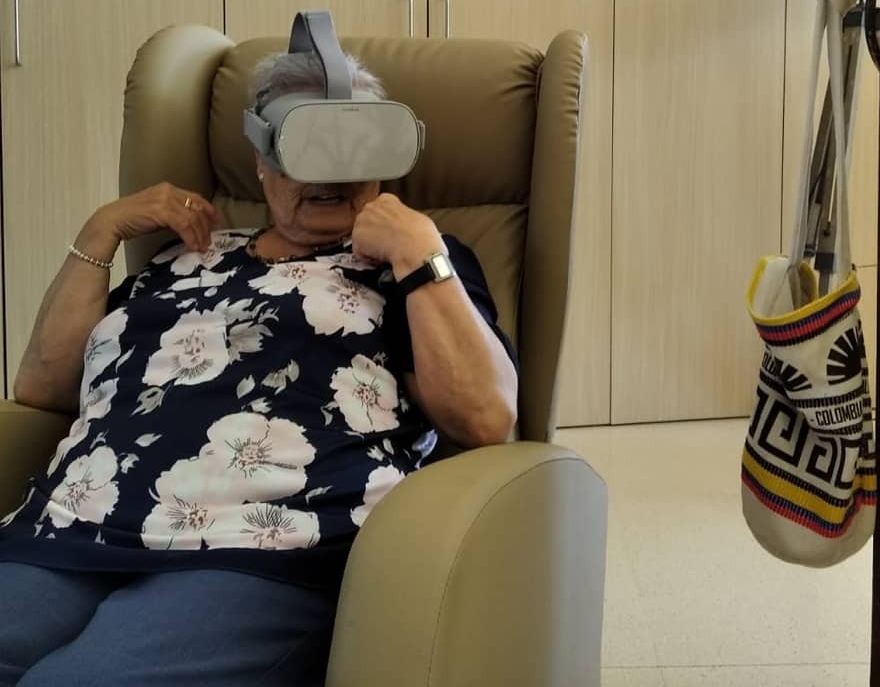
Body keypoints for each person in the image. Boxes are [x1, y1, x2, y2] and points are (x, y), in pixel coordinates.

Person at [0, 48, 518, 686]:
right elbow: (44, 386)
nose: (331, 174)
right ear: (261, 160)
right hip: (69, 532)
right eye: (307, 148)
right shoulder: (183, 258)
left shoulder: (413, 263)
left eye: (354, 146)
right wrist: (100, 231)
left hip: (261, 550)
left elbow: (486, 417)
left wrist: (419, 251)